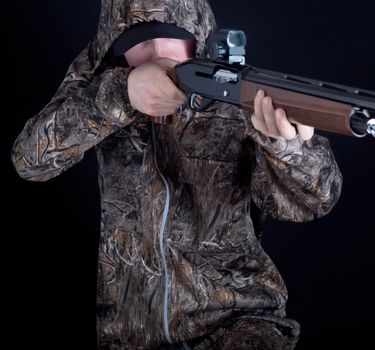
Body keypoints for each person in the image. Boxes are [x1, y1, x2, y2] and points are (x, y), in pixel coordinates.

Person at [11, 1, 343, 349]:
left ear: (197, 39)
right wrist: (119, 96)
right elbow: (29, 161)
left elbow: (316, 201)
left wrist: (288, 148)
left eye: (171, 38)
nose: (157, 54)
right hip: (132, 334)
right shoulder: (102, 78)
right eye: (138, 41)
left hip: (239, 324)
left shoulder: (238, 94)